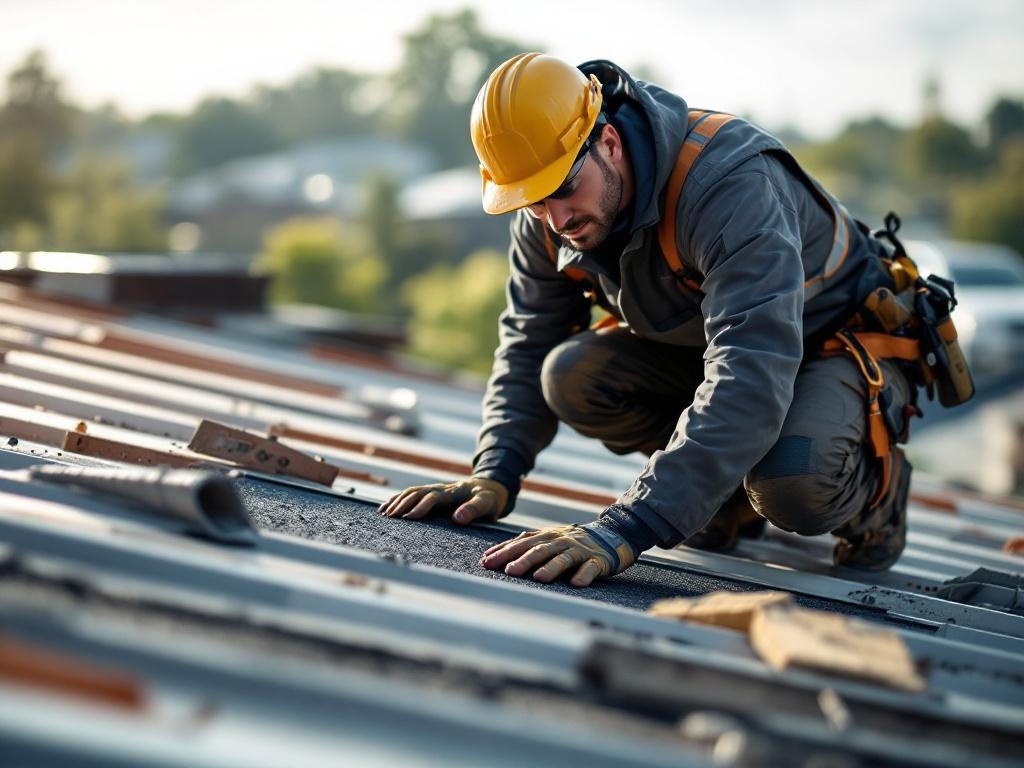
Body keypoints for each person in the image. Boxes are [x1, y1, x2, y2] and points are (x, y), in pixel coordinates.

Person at [378, 52, 924, 587]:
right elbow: (529, 338)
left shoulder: (728, 186)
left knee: (792, 482)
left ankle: (878, 497)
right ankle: (722, 501)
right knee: (571, 375)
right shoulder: (547, 213)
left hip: (832, 348)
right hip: (716, 351)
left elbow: (751, 370)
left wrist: (631, 525)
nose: (557, 218)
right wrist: (495, 471)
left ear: (609, 143)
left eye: (564, 188)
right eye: (534, 201)